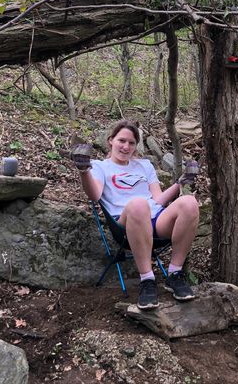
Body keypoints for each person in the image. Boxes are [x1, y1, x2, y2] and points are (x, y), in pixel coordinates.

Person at [72, 120, 200, 310]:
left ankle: (174, 274)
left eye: (131, 143)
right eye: (121, 140)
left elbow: (158, 200)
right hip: (124, 224)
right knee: (139, 204)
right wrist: (84, 171)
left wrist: (181, 183)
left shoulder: (144, 165)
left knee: (189, 202)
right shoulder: (100, 166)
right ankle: (147, 280)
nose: (126, 147)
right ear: (110, 141)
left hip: (155, 220)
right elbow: (95, 195)